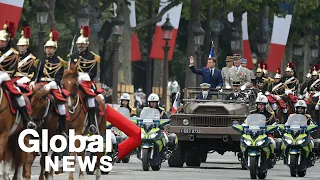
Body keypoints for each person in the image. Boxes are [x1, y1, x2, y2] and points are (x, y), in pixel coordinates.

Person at [0, 22, 36, 129]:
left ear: (7, 42)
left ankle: (27, 119)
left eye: (2, 41)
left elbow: (10, 73)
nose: (0, 43)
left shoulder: (13, 55)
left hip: (6, 79)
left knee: (19, 96)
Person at [33, 29, 68, 136]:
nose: (49, 50)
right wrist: (33, 83)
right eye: (47, 48)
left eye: (51, 48)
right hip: (40, 85)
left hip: (53, 86)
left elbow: (58, 79)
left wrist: (49, 86)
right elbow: (37, 76)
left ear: (55, 49)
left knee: (61, 107)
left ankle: (62, 129)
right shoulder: (41, 61)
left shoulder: (59, 62)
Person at [69, 26, 101, 134]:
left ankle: (92, 122)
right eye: (79, 44)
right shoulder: (73, 56)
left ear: (87, 44)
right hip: (74, 82)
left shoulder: (92, 57)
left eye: (82, 44)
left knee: (91, 99)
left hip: (86, 82)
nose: (80, 46)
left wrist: (81, 77)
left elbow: (93, 73)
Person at [15, 26, 38, 92]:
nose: (21, 47)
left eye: (23, 46)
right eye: (20, 46)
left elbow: (35, 73)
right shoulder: (14, 56)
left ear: (27, 46)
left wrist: (33, 81)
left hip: (25, 78)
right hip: (14, 78)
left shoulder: (32, 59)